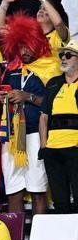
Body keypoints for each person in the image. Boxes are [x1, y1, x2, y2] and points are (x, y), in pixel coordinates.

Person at [42, 39, 78, 212]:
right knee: (59, 201)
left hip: (75, 148)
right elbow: (44, 117)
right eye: (62, 55)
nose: (63, 58)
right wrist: (44, 146)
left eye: (69, 55)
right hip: (53, 149)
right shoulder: (53, 83)